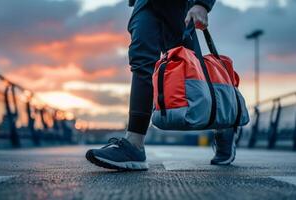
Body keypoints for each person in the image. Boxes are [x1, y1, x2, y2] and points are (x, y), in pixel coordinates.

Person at [86, 0, 236, 170]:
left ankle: (225, 126)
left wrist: (202, 4)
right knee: (141, 61)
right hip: (144, 3)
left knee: (192, 68)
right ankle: (134, 145)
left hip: (179, 5)